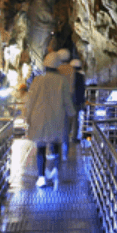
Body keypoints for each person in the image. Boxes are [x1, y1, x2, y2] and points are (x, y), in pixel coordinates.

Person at [23, 50, 75, 187]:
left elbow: (30, 100)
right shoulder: (62, 80)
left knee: (40, 148)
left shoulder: (38, 80)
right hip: (55, 117)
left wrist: (26, 117)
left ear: (45, 65)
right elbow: (67, 100)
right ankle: (56, 171)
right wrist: (71, 113)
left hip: (39, 117)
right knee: (55, 144)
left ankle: (41, 178)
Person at [70, 58, 86, 142]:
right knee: (75, 120)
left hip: (68, 100)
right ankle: (74, 137)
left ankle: (66, 136)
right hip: (76, 101)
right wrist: (82, 102)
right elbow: (81, 90)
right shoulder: (80, 76)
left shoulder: (68, 76)